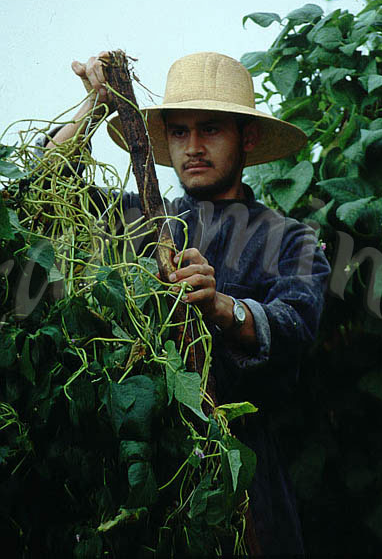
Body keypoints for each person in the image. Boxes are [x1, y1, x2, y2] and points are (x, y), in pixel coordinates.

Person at [41, 50, 331, 557]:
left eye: (210, 130)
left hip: (242, 474)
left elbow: (293, 323)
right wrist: (96, 104)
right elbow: (46, 189)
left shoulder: (291, 238)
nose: (192, 147)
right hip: (139, 477)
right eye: (178, 132)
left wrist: (222, 306)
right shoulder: (135, 220)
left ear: (247, 137)